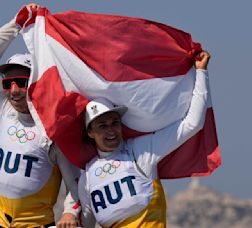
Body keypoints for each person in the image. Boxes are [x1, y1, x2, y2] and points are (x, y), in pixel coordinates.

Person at [0, 4, 80, 228]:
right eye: (7, 83)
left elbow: (76, 184)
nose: (13, 91)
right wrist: (16, 24)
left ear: (36, 83)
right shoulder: (4, 108)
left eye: (21, 83)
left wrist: (70, 213)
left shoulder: (55, 129)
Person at [78, 52, 211, 227]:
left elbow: (192, 124)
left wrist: (201, 72)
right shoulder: (87, 176)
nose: (111, 130)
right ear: (90, 132)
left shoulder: (140, 151)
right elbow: (85, 223)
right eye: (102, 126)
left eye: (114, 123)